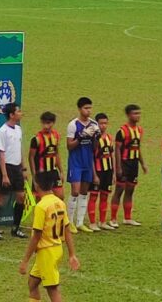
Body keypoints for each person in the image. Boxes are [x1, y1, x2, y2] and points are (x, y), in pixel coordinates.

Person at [18, 173, 80, 302]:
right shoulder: (60, 202)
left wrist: (25, 260)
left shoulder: (41, 207)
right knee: (32, 283)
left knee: (52, 289)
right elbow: (67, 229)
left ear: (36, 185)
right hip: (56, 249)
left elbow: (36, 236)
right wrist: (72, 254)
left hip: (47, 252)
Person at [0, 103, 28, 240]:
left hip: (17, 167)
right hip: (6, 167)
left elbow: (19, 149)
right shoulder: (3, 131)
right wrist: (4, 175)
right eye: (18, 111)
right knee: (1, 198)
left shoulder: (18, 129)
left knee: (21, 197)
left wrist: (23, 168)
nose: (20, 113)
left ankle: (16, 228)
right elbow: (1, 153)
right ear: (11, 115)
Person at [111, 104, 147, 227]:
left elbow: (138, 148)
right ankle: (113, 218)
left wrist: (142, 164)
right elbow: (117, 150)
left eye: (139, 113)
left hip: (134, 164)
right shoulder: (122, 131)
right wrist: (118, 167)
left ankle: (127, 218)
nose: (138, 116)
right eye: (135, 113)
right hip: (124, 163)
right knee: (119, 190)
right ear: (128, 115)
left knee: (130, 190)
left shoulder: (139, 130)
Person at [66, 97, 98, 234]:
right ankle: (69, 222)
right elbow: (69, 146)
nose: (88, 111)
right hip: (76, 163)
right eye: (86, 108)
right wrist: (81, 136)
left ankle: (80, 222)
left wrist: (96, 137)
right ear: (79, 109)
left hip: (87, 162)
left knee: (84, 192)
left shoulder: (93, 124)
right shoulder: (73, 125)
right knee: (75, 191)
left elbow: (94, 148)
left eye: (90, 108)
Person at [88, 113, 115, 231]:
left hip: (108, 171)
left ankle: (102, 221)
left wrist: (113, 173)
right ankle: (92, 223)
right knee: (93, 196)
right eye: (101, 123)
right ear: (96, 124)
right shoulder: (94, 140)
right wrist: (94, 175)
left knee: (105, 196)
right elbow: (91, 158)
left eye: (105, 123)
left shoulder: (109, 137)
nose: (103, 126)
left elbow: (111, 154)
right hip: (97, 171)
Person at [29, 111, 64, 201]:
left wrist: (61, 171)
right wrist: (34, 176)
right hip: (41, 174)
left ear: (53, 123)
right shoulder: (36, 139)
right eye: (44, 123)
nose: (46, 126)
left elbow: (56, 153)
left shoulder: (55, 135)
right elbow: (31, 157)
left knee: (60, 196)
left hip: (53, 172)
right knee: (41, 200)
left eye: (48, 123)